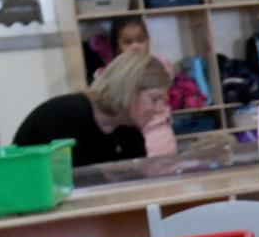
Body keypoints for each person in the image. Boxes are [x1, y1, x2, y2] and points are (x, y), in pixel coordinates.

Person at [14, 51, 176, 166]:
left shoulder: (129, 133)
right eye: (154, 99)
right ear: (128, 90)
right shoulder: (67, 116)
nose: (160, 109)